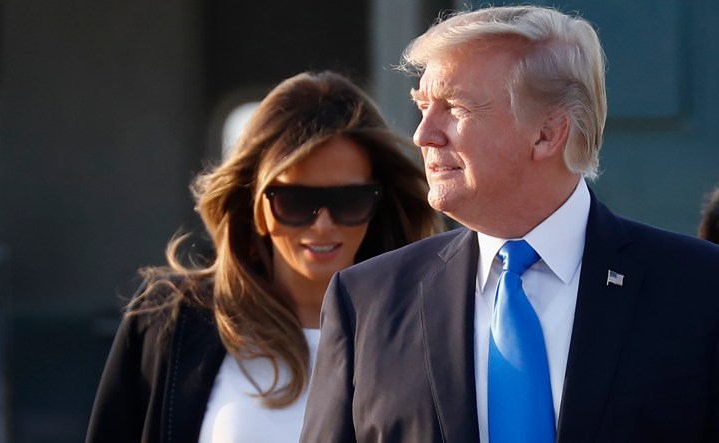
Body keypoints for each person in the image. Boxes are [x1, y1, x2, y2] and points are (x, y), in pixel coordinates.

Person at [301, 6, 719, 443]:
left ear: (546, 133)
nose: (423, 134)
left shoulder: (701, 290)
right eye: (424, 107)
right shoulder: (367, 302)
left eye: (455, 108)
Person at [85, 70, 441, 443]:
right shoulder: (171, 320)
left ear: (378, 205)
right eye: (294, 201)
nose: (322, 225)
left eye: (349, 202)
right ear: (255, 205)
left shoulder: (429, 328)